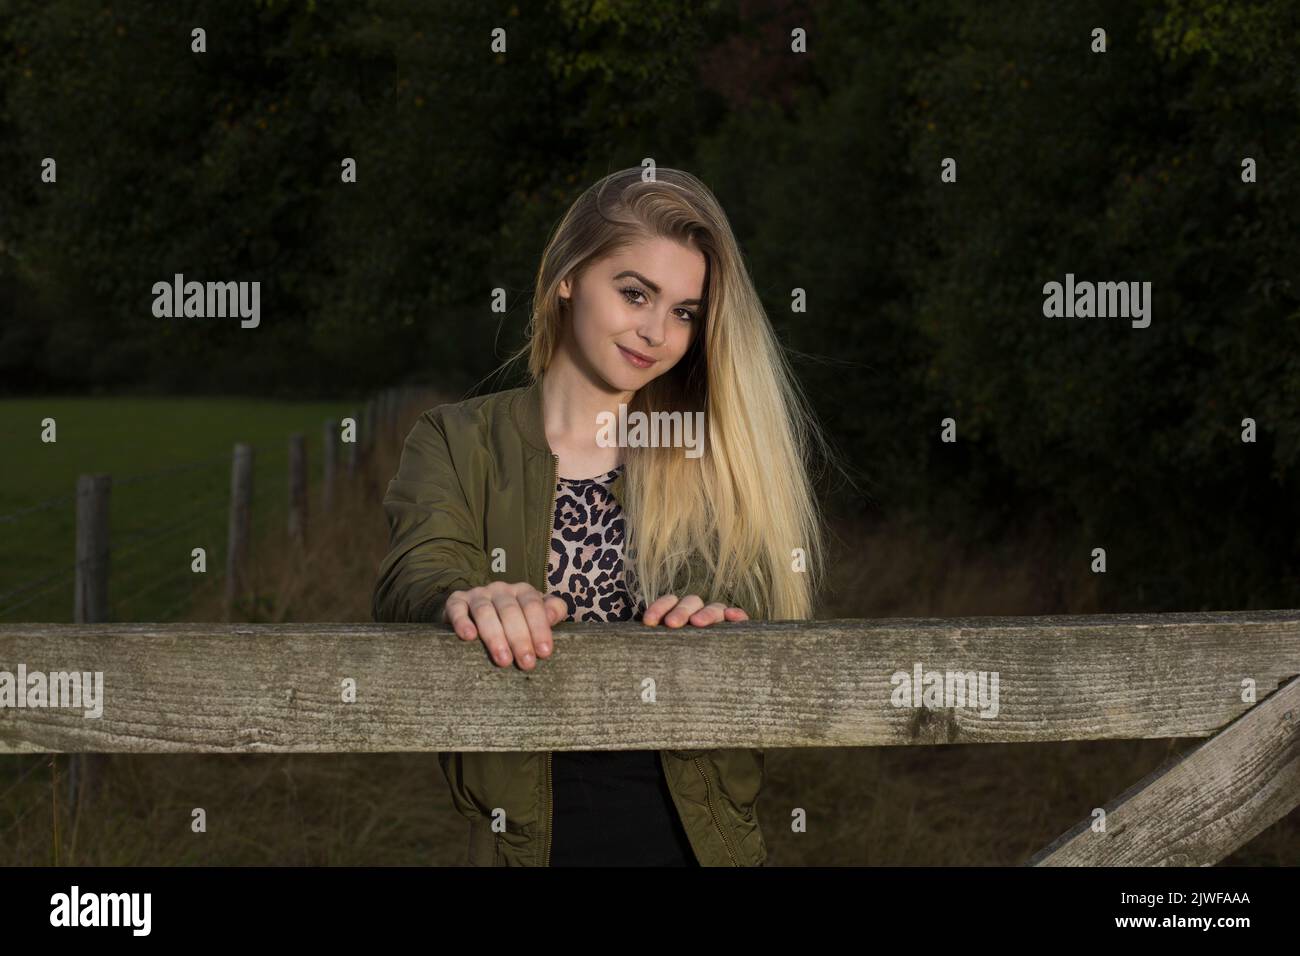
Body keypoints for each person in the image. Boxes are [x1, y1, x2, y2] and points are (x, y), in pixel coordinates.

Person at [372, 165, 829, 866]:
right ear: (566, 277)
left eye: (684, 312)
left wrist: (725, 625)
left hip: (694, 843)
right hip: (525, 845)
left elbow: (768, 612)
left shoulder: (710, 453)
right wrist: (463, 597)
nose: (655, 331)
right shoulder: (455, 441)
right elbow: (414, 572)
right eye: (634, 293)